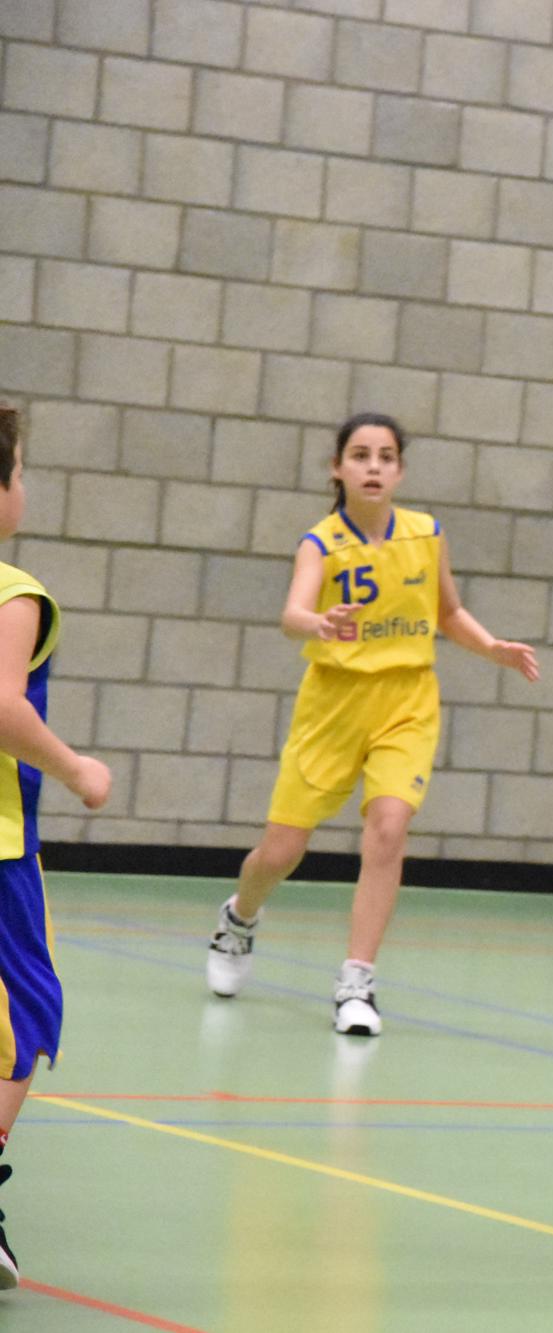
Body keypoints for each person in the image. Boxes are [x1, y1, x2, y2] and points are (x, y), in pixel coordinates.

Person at [205, 413, 538, 1035]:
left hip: (406, 702)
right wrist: (320, 623)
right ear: (338, 468)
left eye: (386, 456)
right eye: (360, 455)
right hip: (332, 706)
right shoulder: (321, 543)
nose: (374, 467)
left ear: (400, 471)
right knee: (282, 851)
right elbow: (292, 613)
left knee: (387, 830)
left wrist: (491, 647)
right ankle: (239, 918)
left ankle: (357, 981)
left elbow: (449, 612)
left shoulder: (426, 534)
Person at [0, 404, 114, 1288]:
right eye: (22, 473)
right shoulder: (15, 593)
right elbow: (3, 704)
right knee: (26, 1020)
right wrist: (75, 767)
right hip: (0, 845)